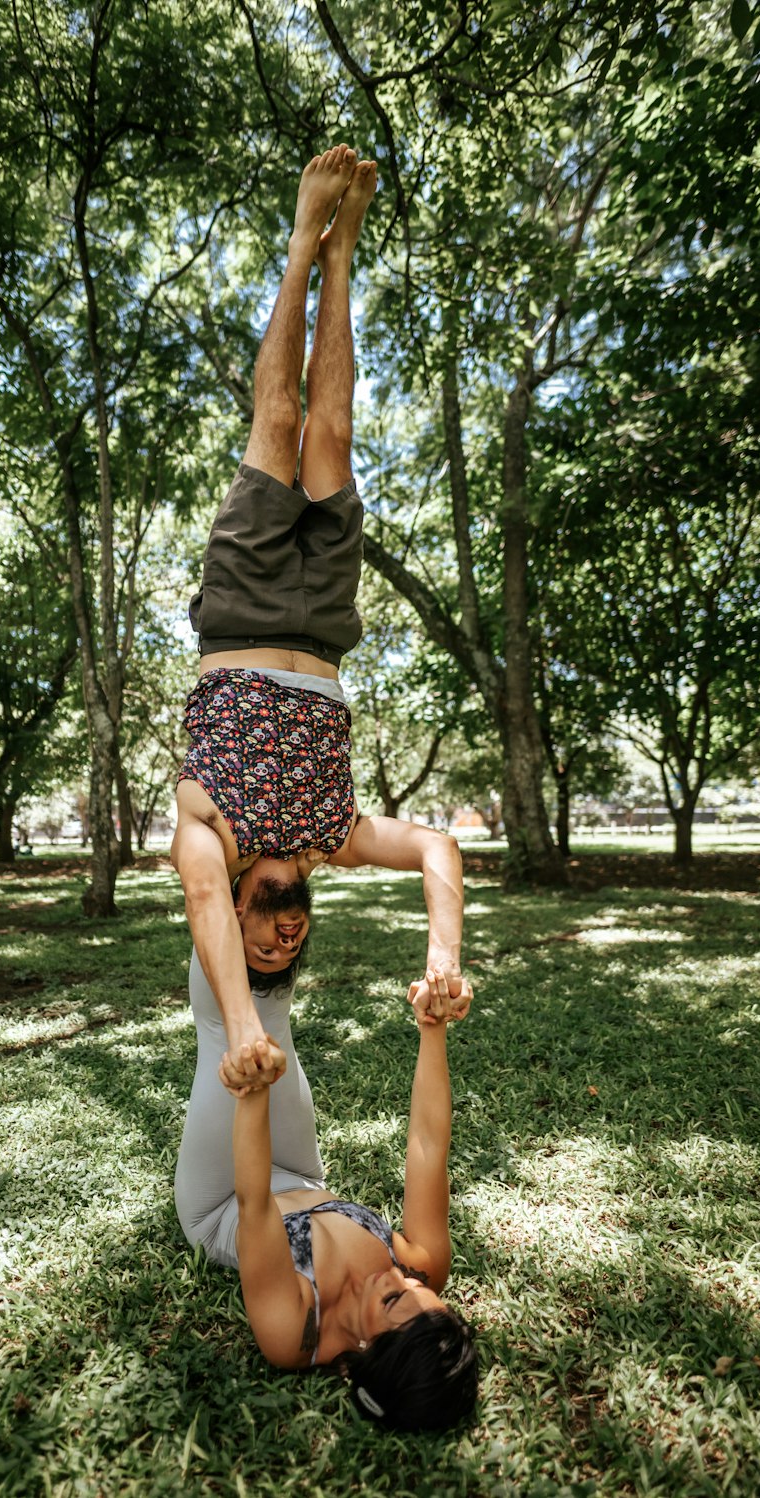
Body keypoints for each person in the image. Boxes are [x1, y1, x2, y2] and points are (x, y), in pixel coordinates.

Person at [171, 146, 471, 1094]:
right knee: (332, 437)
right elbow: (437, 847)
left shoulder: (205, 828)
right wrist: (443, 956)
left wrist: (242, 1022)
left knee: (278, 421)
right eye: (284, 946)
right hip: (328, 628)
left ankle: (303, 242)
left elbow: (207, 907)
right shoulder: (328, 832)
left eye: (265, 941)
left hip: (242, 612)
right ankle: (346, 256)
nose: (279, 935)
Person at [175, 955, 478, 1431]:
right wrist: (433, 1027)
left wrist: (254, 1088)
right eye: (420, 1290)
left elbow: (254, 1206)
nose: (401, 1278)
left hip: (223, 1200)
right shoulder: (423, 1267)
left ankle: (209, 892)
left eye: (393, 1301)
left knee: (227, 1034)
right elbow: (427, 1145)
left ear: (363, 1350)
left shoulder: (293, 1332)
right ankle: (246, 894)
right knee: (270, 1011)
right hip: (302, 1175)